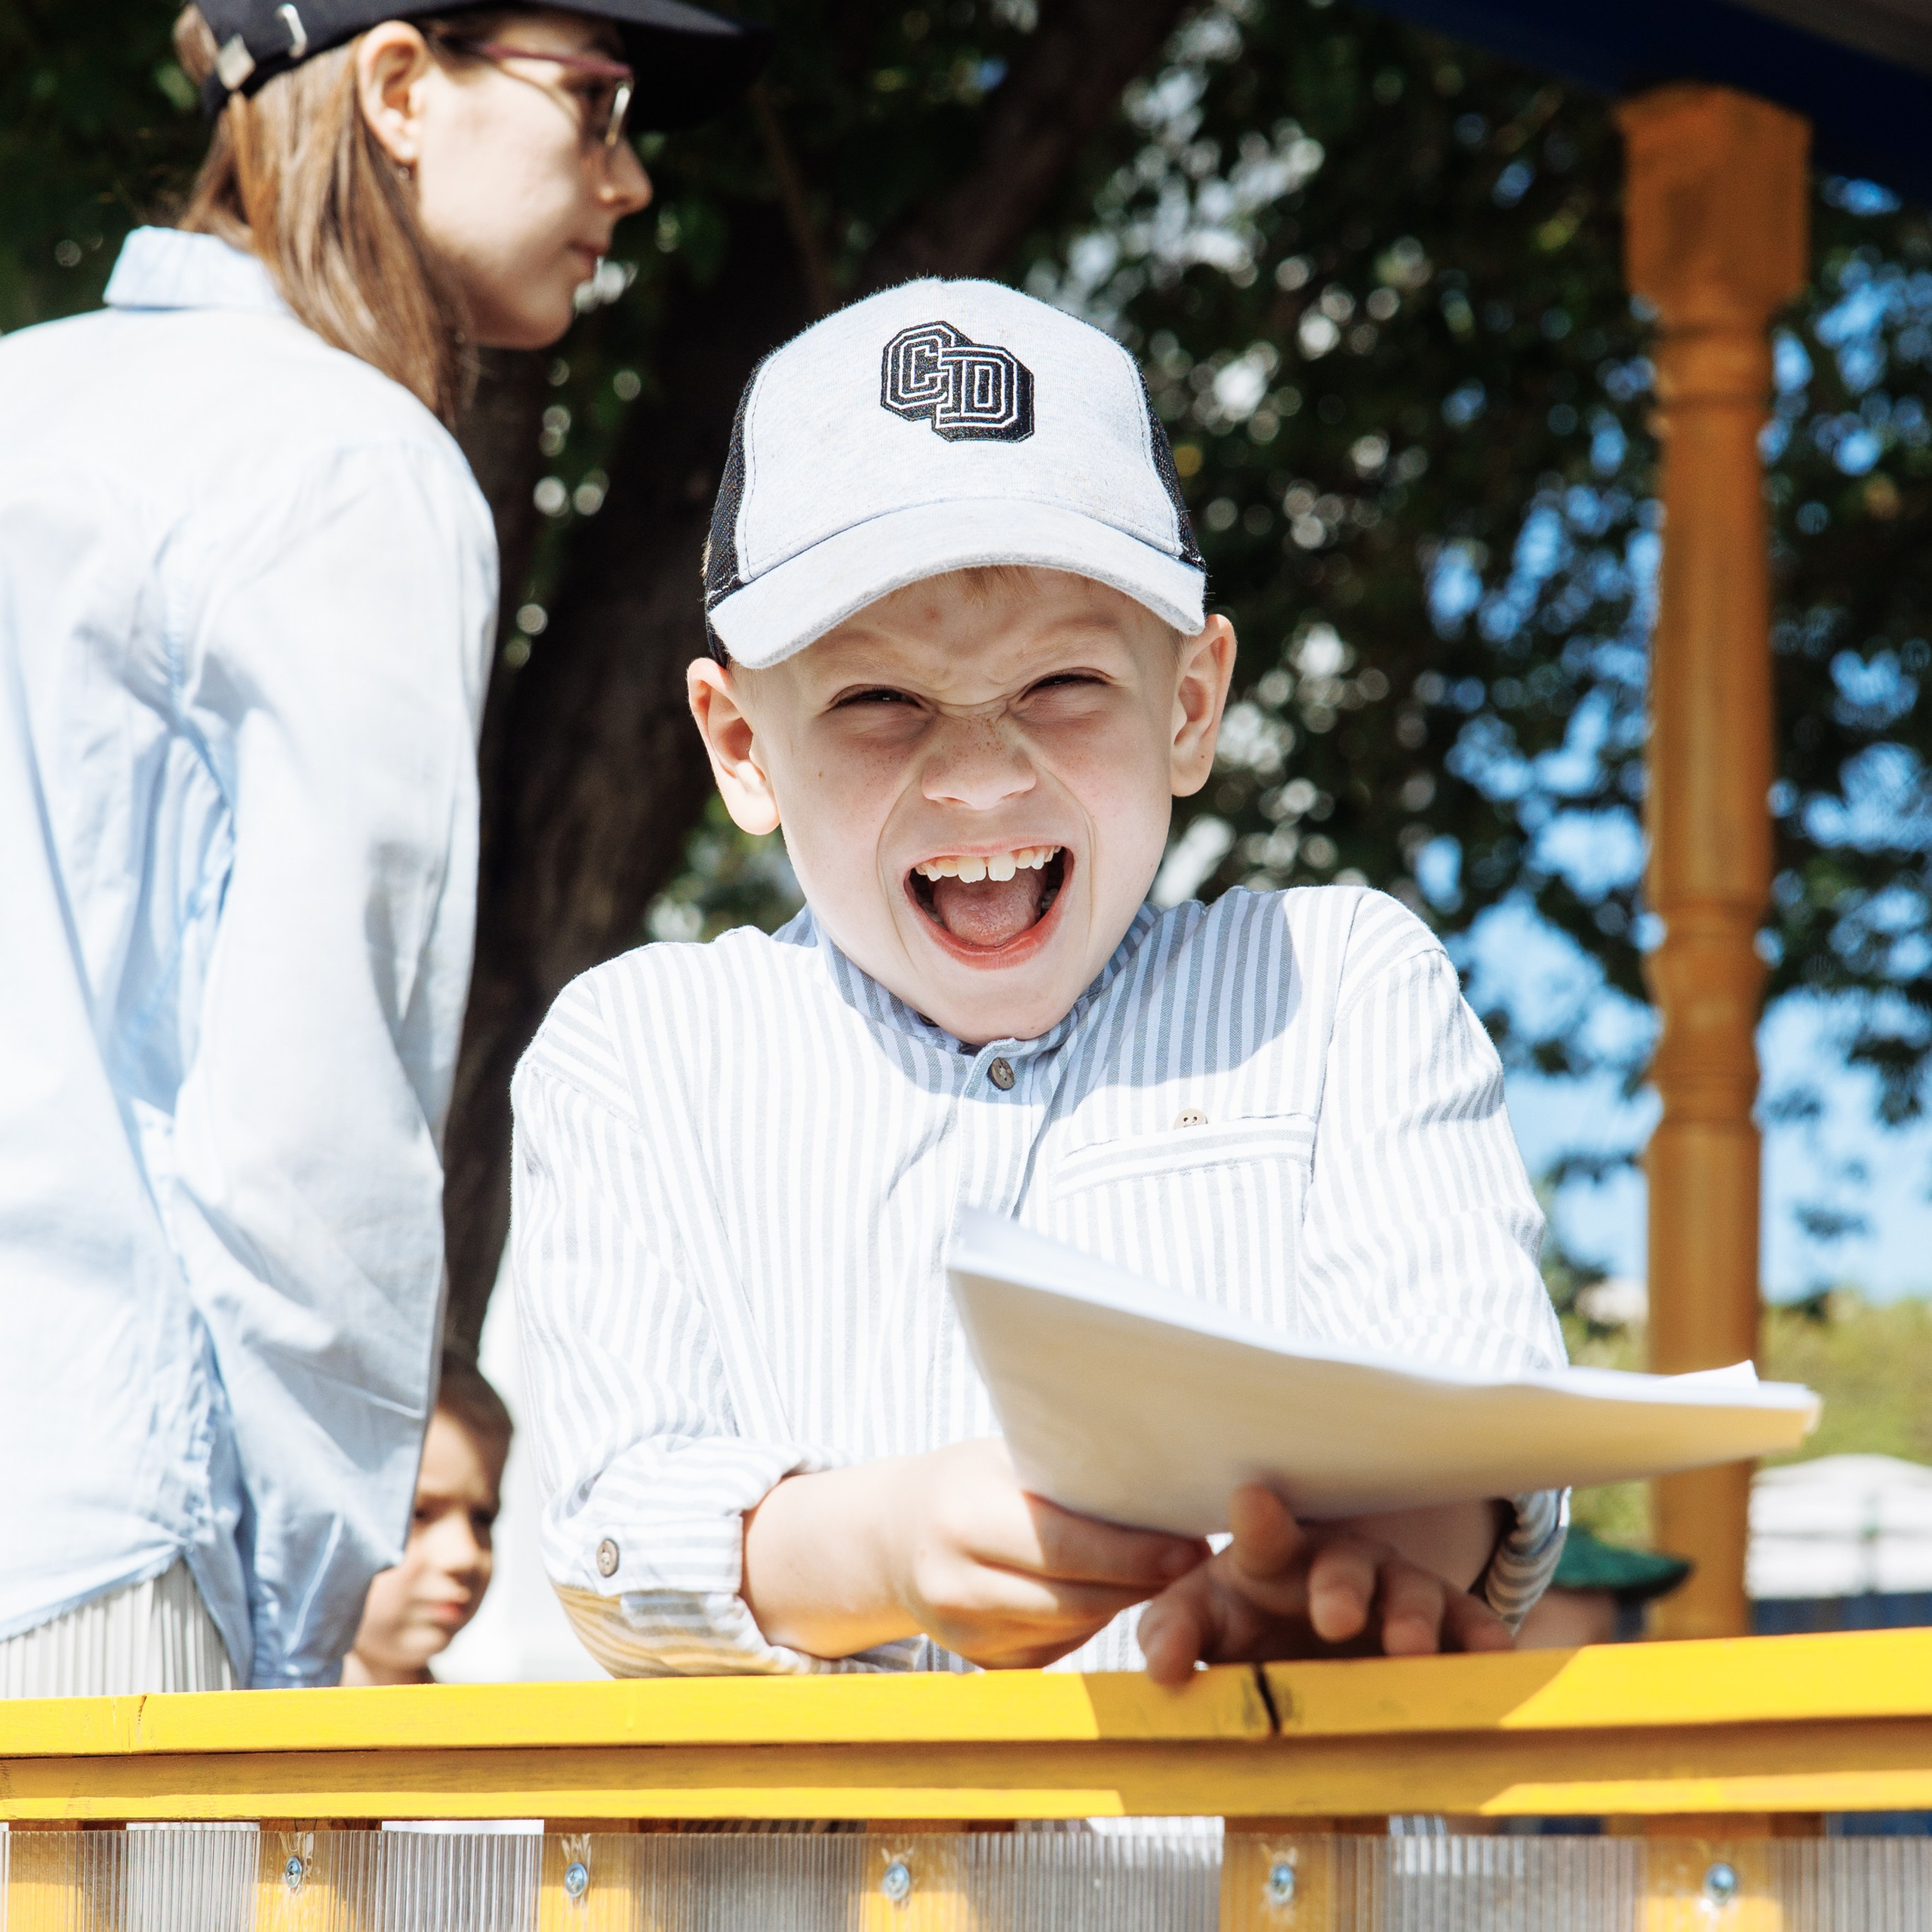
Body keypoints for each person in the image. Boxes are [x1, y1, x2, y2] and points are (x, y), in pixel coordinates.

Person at [510, 279, 1569, 1681]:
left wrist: (1359, 1568)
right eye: (878, 700)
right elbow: (619, 1528)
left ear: (1189, 703)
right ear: (742, 746)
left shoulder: (1336, 990)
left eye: (1063, 683)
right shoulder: (637, 1054)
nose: (980, 774)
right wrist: (886, 1545)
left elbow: (1480, 1408)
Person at [0, 0, 764, 1697]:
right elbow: (314, 1136)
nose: (630, 180)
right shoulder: (352, 459)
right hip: (97, 1567)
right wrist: (294, 1647)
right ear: (404, 87)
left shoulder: (20, 399)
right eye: (596, 101)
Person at [342, 1354, 514, 1687]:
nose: (465, 1554)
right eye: (418, 1513)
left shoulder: (479, 1720)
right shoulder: (254, 1710)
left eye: (483, 1519)